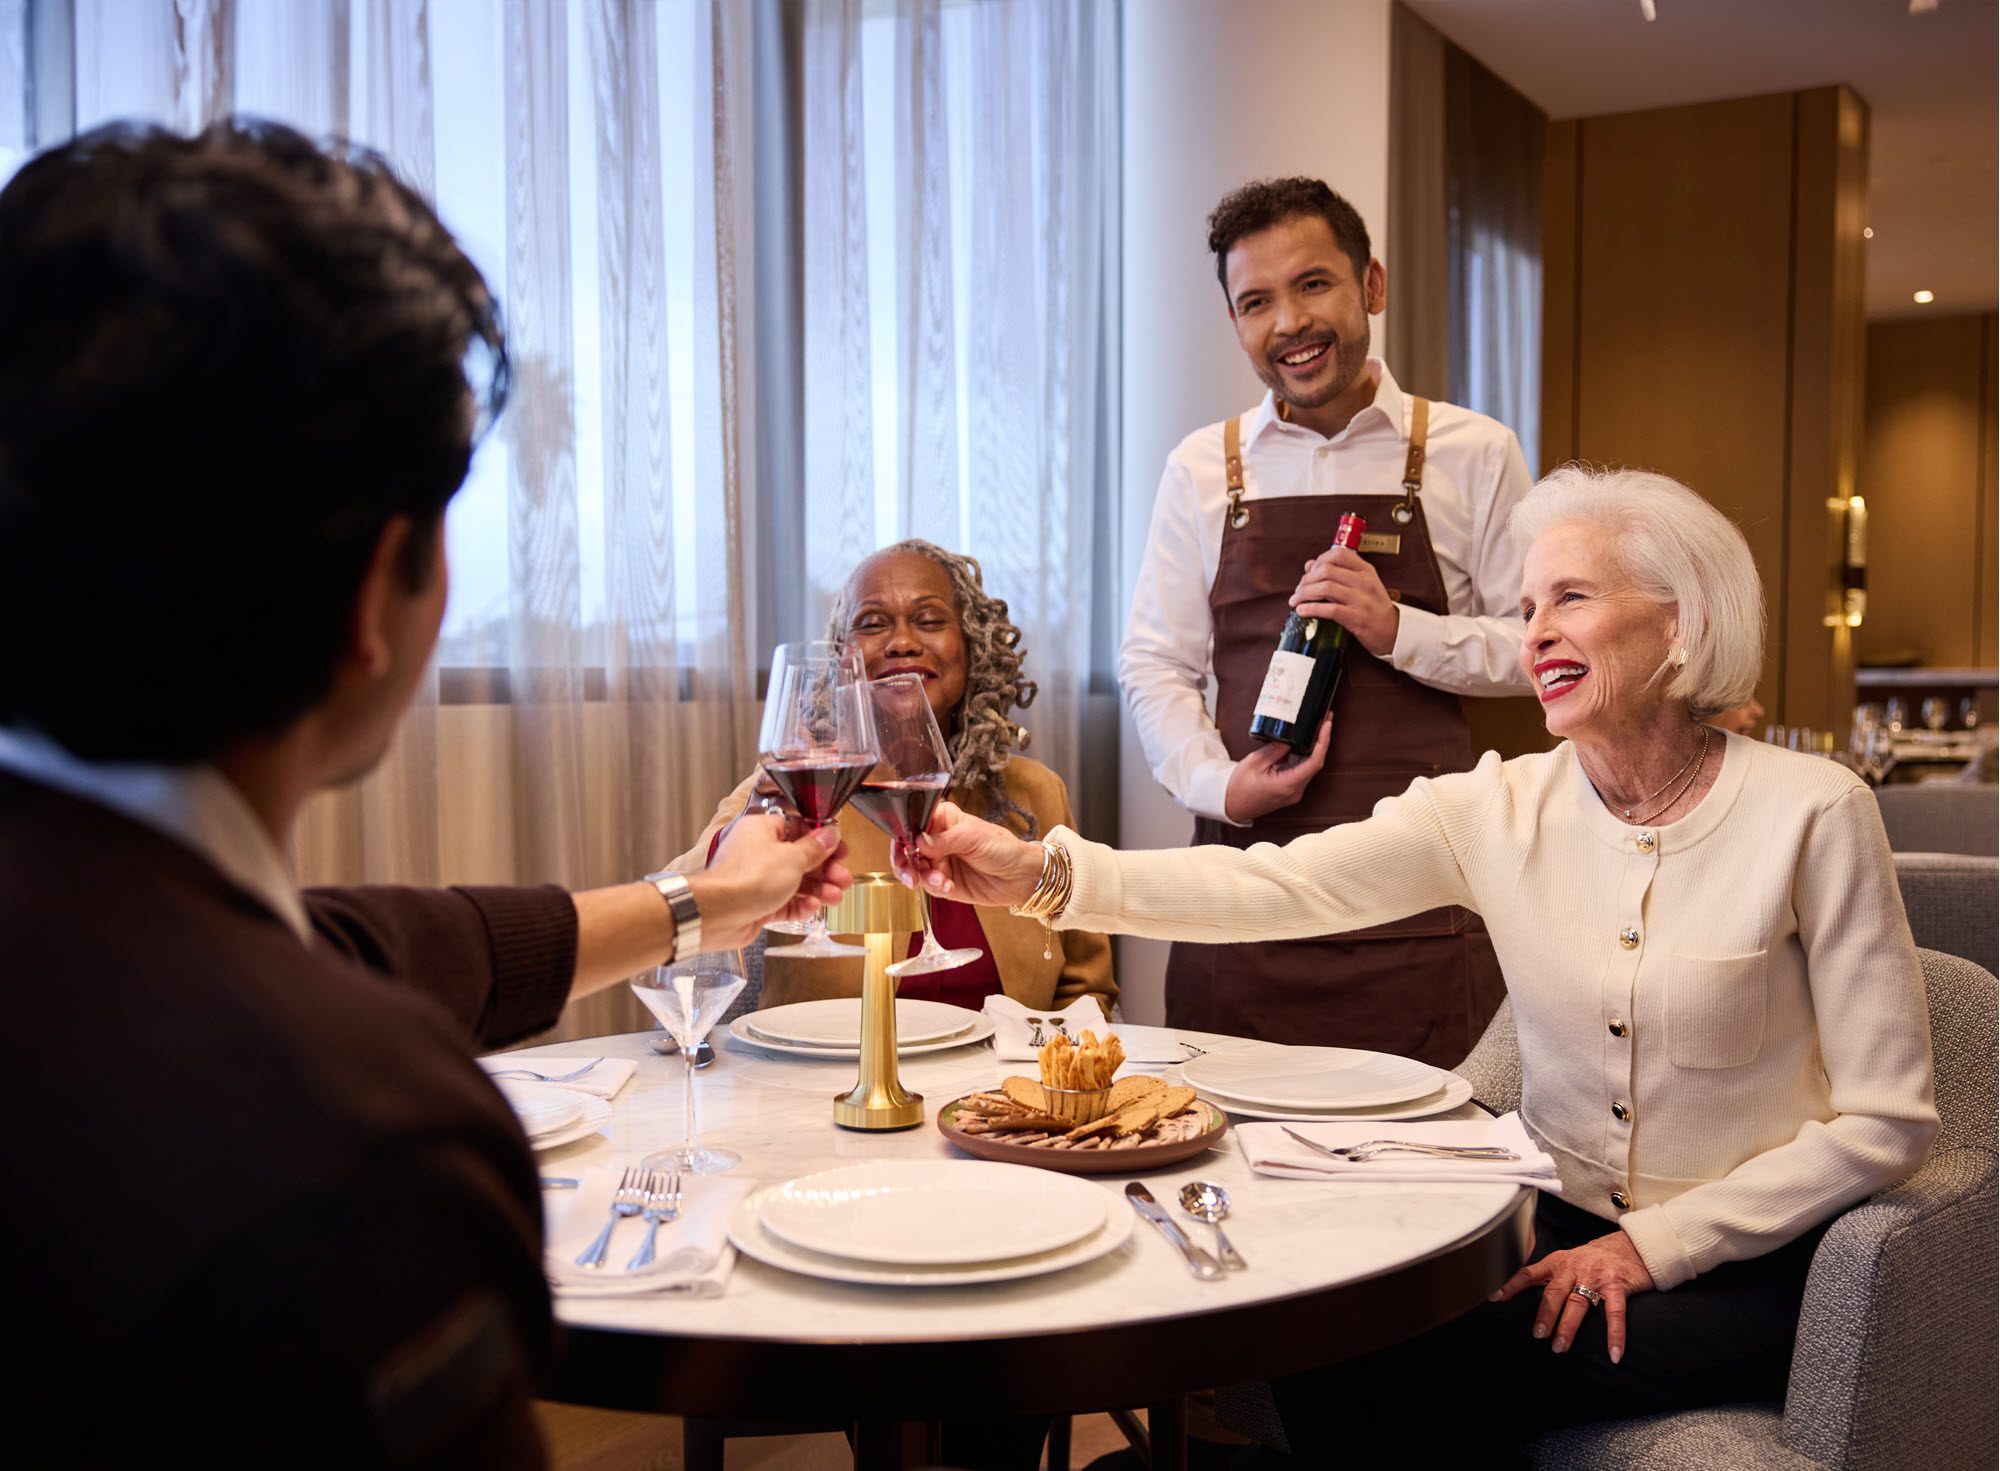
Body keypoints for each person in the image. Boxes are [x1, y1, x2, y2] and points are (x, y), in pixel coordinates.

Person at [0, 121, 849, 1468]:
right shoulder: (354, 1141)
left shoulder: (91, 930)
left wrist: (704, 898)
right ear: (375, 591)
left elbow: (354, 943)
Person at [907, 467, 1939, 1460]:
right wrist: (1041, 872)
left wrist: (1650, 1248)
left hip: (1747, 1267)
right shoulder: (1492, 807)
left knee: (1429, 1359)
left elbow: (1887, 1121)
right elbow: (1276, 887)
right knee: (1325, 1310)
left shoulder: (1812, 810)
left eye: (1569, 598)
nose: (1532, 631)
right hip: (1546, 1222)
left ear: (1679, 622)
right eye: (1526, 602)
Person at [1120, 175, 1536, 1066]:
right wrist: (1219, 785)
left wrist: (1400, 631)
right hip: (1241, 901)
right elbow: (1154, 663)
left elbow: (1532, 648)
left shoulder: (1473, 452)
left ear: (1371, 287)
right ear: (1235, 321)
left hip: (1420, 910)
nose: (1289, 324)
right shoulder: (1202, 467)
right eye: (1256, 302)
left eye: (1314, 285)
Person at [673, 540, 1114, 1018]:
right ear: (843, 659)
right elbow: (681, 936)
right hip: (822, 1085)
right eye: (873, 623)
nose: (903, 641)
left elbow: (1087, 992)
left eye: (929, 620)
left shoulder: (1037, 793)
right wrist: (754, 821)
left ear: (971, 648)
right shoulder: (793, 792)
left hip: (1000, 1087)